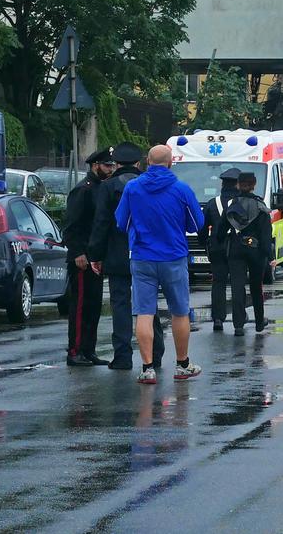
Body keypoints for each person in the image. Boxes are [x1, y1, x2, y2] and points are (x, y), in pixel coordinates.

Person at [114, 144, 204, 385]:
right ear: (170, 162)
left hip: (142, 256)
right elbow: (196, 223)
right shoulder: (181, 189)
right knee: (180, 311)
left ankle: (147, 368)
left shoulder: (132, 188)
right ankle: (182, 364)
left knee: (144, 312)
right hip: (174, 256)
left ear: (147, 162)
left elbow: (121, 221)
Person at [89, 142, 164, 372]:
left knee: (120, 305)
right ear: (139, 163)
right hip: (148, 252)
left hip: (117, 254)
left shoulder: (108, 187)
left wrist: (95, 254)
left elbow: (101, 223)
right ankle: (155, 353)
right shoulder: (149, 185)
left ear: (117, 163)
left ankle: (122, 356)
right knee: (148, 305)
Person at [62, 148, 116, 366]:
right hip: (82, 258)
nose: (111, 169)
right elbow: (71, 226)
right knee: (80, 307)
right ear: (95, 166)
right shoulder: (83, 190)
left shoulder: (101, 188)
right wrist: (78, 253)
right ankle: (75, 350)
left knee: (93, 305)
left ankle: (88, 350)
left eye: (112, 165)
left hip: (96, 256)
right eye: (107, 165)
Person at [225, 171, 274, 335]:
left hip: (236, 249)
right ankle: (259, 321)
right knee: (256, 286)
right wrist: (270, 256)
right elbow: (266, 235)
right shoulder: (260, 206)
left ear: (238, 185)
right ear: (254, 185)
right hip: (256, 251)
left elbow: (221, 228)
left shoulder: (232, 204)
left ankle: (238, 325)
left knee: (237, 286)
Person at [202, 168, 241, 332]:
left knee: (218, 283)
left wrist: (204, 243)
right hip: (238, 249)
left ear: (222, 185)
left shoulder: (212, 203)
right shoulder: (242, 203)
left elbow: (203, 228)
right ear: (238, 185)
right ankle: (239, 318)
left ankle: (218, 318)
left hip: (217, 247)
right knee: (237, 283)